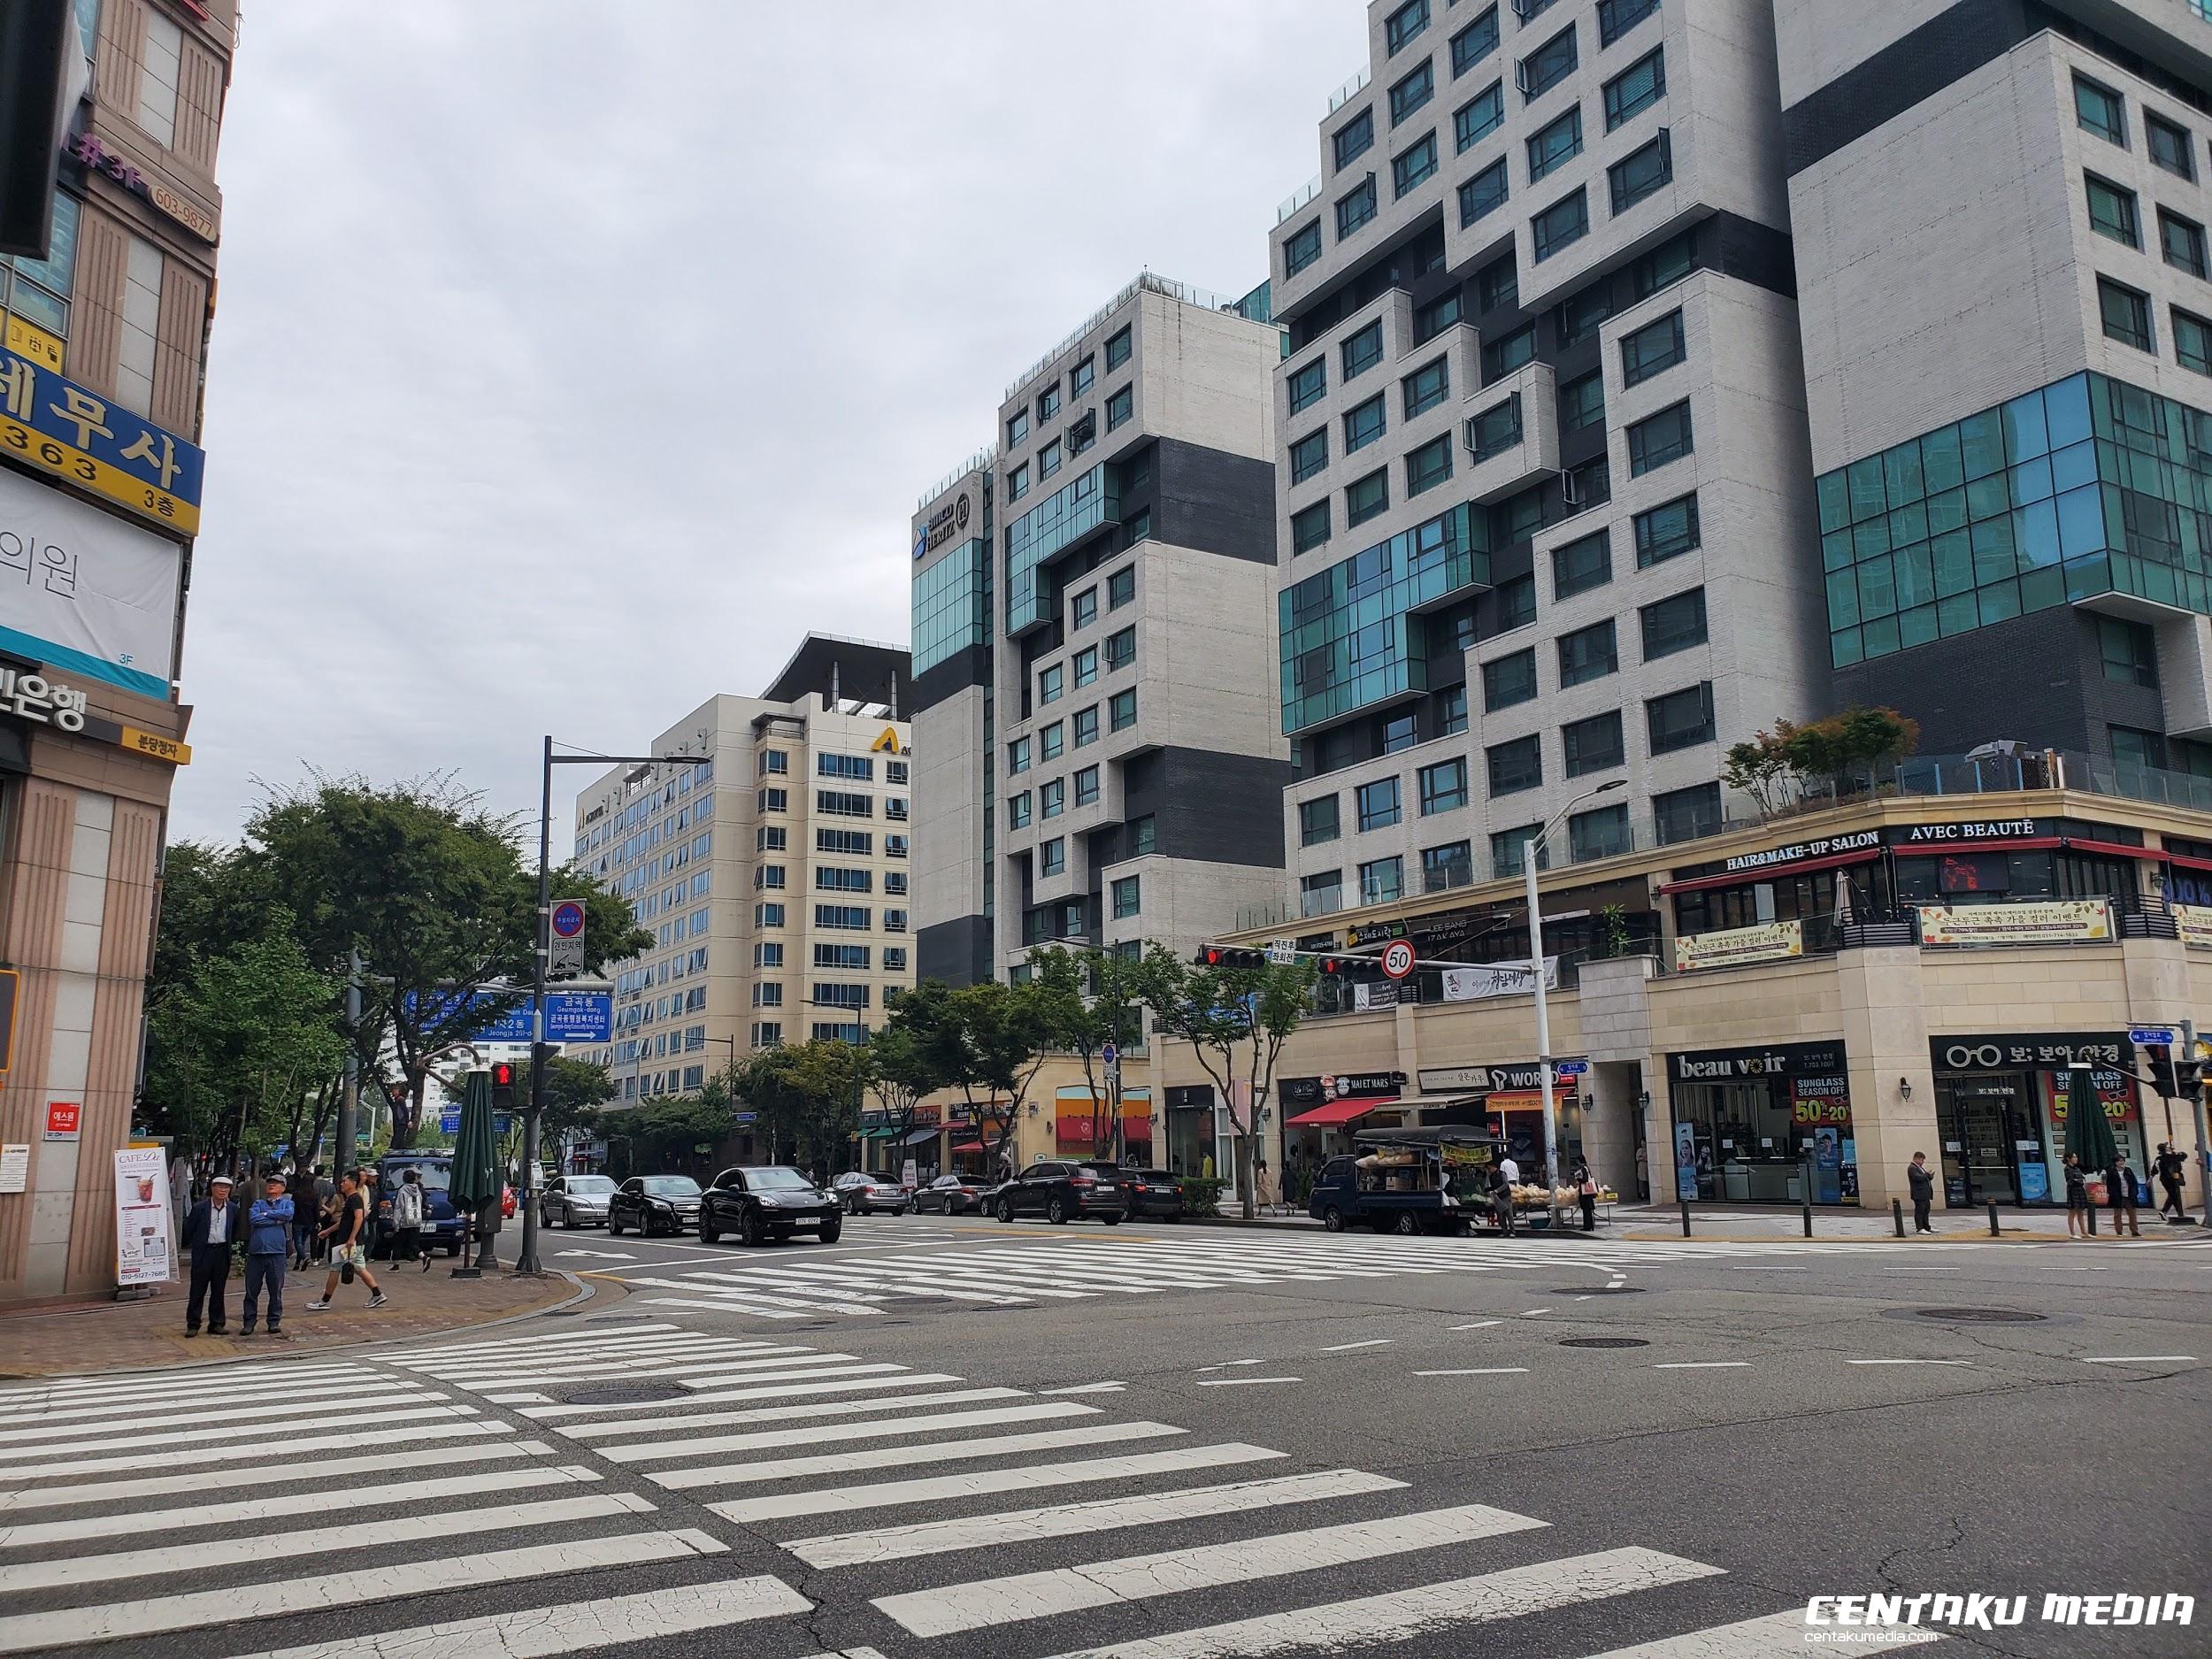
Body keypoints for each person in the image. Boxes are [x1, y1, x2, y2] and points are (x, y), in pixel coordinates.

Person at [308, 1171, 386, 1311]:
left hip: (348, 1243)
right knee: (359, 1269)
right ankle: (377, 1294)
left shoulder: (355, 1199)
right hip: (350, 1241)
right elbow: (344, 1221)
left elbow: (358, 1218)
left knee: (335, 1269)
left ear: (353, 1182)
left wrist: (351, 1239)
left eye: (345, 1181)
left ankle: (324, 1301)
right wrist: (328, 1231)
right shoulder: (351, 1199)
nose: (342, 1184)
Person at [180, 1173, 242, 1335]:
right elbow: (189, 1230)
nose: (223, 1190)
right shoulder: (200, 1208)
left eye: (227, 1187)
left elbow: (234, 1230)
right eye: (220, 1186)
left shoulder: (233, 1209)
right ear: (212, 1188)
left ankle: (217, 1323)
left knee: (218, 1289)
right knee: (197, 1289)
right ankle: (193, 1324)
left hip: (222, 1252)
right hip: (203, 1252)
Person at [241, 1172, 293, 1335]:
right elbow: (254, 1219)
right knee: (251, 1290)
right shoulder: (258, 1203)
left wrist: (266, 1215)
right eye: (270, 1183)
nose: (272, 1185)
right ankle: (249, 1322)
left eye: (276, 1183)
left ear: (283, 1188)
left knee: (275, 1290)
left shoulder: (287, 1203)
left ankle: (274, 1321)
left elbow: (288, 1215)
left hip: (277, 1252)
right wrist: (275, 1219)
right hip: (256, 1252)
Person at [389, 1167, 426, 1265]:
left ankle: (395, 1265)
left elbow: (399, 1207)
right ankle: (423, 1256)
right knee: (413, 1243)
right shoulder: (418, 1190)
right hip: (416, 1219)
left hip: (405, 1221)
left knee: (398, 1242)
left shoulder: (402, 1190)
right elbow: (421, 1203)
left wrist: (396, 1222)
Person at [290, 1162, 319, 1269]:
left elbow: (293, 1207)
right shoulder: (314, 1194)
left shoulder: (297, 1194)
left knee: (298, 1242)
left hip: (298, 1220)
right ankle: (298, 1264)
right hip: (310, 1221)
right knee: (302, 1242)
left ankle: (303, 1258)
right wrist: (318, 1221)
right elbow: (316, 1209)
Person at [2108, 1153, 2142, 1238]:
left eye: (2123, 1161)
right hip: (2118, 1196)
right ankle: (2119, 1231)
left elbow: (2134, 1182)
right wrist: (2112, 1194)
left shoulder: (2128, 1170)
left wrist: (2135, 1193)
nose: (2121, 1163)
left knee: (2132, 1214)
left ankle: (2134, 1231)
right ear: (2116, 1163)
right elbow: (2109, 1184)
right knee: (2117, 1215)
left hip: (2129, 1196)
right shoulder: (2112, 1172)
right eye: (2119, 1161)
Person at [2154, 1141, 2189, 1224]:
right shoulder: (2170, 1157)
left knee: (2174, 1195)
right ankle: (2164, 1211)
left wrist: (2150, 1178)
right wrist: (2177, 1153)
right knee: (2173, 1194)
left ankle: (2179, 1213)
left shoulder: (2159, 1158)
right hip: (2171, 1178)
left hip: (2163, 1179)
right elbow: (2184, 1156)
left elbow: (2154, 1169)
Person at [1907, 1151, 1936, 1233]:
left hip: (1925, 1193)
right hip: (1919, 1194)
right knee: (1920, 1211)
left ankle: (1927, 1226)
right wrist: (1927, 1174)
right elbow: (1918, 1178)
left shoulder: (1920, 1168)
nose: (1923, 1162)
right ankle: (1919, 1228)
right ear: (1917, 1159)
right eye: (1922, 1160)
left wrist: (1930, 1176)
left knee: (1926, 1210)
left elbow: (1924, 1177)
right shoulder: (1912, 1168)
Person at [2063, 1152, 2091, 1240]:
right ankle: (2072, 1232)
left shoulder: (2077, 1168)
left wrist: (2079, 1180)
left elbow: (2081, 1178)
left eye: (2076, 1157)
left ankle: (2084, 1232)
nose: (2076, 1159)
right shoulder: (2067, 1169)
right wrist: (2078, 1180)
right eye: (2074, 1157)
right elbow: (2071, 1180)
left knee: (2081, 1212)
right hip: (2073, 1190)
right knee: (2072, 1212)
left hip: (2080, 1190)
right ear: (2069, 1159)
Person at [1486, 1160, 1516, 1236]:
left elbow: (1505, 1184)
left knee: (1509, 1214)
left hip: (1506, 1196)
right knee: (1500, 1215)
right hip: (1498, 1198)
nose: (1489, 1169)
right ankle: (1504, 1231)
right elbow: (1492, 1186)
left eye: (1490, 1168)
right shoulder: (1491, 1176)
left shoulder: (1502, 1174)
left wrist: (1497, 1190)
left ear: (1494, 1167)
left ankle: (1512, 1231)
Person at [1571, 1156, 1598, 1233]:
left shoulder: (1583, 1169)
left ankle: (1587, 1226)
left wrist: (1578, 1179)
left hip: (1585, 1193)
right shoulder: (1586, 1168)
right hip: (1588, 1193)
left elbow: (1585, 1179)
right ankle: (1590, 1226)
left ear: (1579, 1161)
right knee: (1588, 1211)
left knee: (1586, 1211)